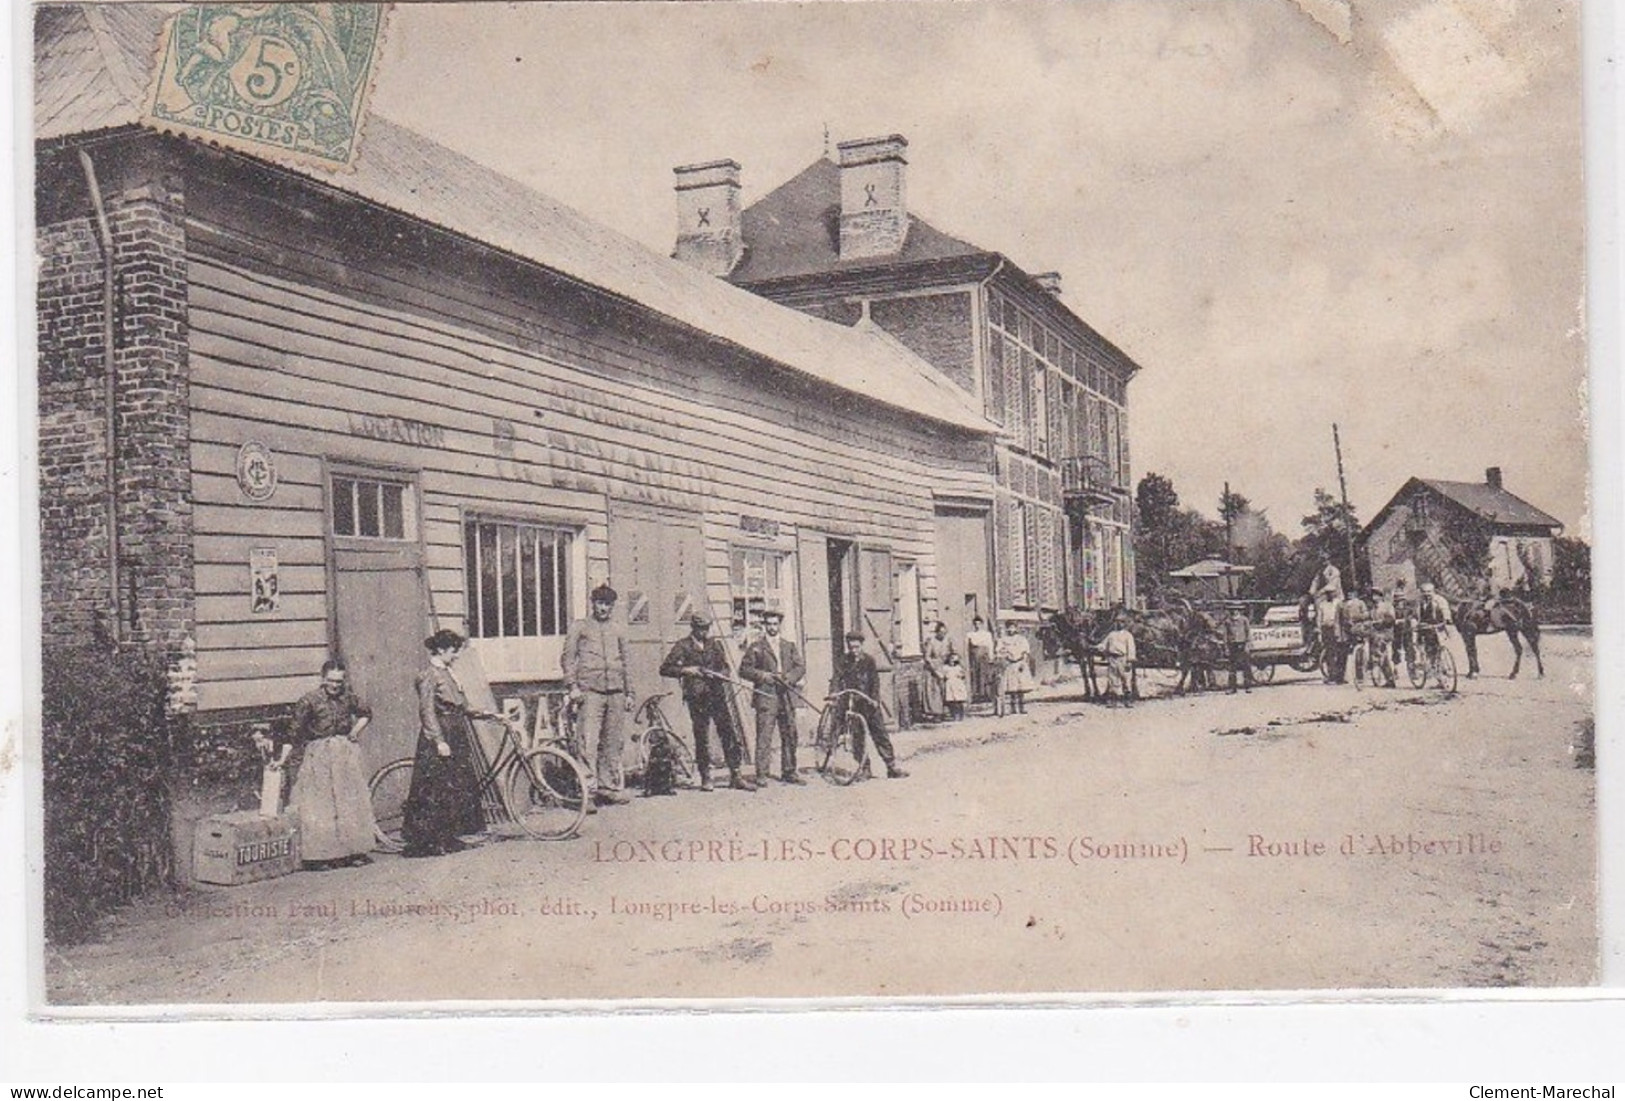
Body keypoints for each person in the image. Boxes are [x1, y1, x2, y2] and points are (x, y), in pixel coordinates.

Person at [401, 629, 486, 858]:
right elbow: (427, 711)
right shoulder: (428, 675)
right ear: (440, 650)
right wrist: (439, 741)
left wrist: (486, 714)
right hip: (440, 735)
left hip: (456, 732)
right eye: (453, 651)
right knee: (434, 789)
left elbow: (461, 704)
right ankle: (429, 842)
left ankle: (448, 837)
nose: (456, 655)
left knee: (453, 787)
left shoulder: (448, 672)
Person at [285, 659, 377, 870]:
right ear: (323, 678)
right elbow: (294, 732)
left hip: (344, 754)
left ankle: (352, 851)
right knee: (322, 805)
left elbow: (366, 713)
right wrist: (284, 759)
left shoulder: (348, 697)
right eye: (331, 681)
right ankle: (321, 857)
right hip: (319, 755)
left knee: (349, 802)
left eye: (339, 681)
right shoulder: (309, 700)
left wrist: (354, 731)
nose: (335, 685)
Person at [660, 612, 752, 791]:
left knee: (728, 733)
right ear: (693, 628)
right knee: (701, 736)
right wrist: (688, 670)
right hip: (697, 697)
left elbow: (724, 666)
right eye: (701, 629)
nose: (704, 632)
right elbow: (665, 669)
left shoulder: (715, 644)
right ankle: (706, 777)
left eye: (706, 628)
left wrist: (722, 675)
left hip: (717, 694)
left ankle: (736, 774)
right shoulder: (683, 646)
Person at [561, 583, 633, 806]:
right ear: (593, 603)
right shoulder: (580, 627)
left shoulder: (619, 629)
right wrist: (572, 686)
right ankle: (587, 792)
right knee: (587, 743)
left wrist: (630, 693)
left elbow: (627, 662)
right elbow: (568, 658)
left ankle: (608, 787)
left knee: (613, 742)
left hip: (616, 692)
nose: (604, 608)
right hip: (590, 692)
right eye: (600, 603)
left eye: (608, 605)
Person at [738, 609, 806, 785]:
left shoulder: (788, 646)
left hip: (786, 696)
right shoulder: (756, 647)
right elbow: (744, 670)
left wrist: (789, 678)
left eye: (775, 624)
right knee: (764, 735)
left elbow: (800, 667)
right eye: (769, 624)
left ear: (779, 625)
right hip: (766, 696)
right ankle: (762, 774)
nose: (772, 627)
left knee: (790, 733)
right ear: (764, 626)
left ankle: (789, 771)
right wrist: (763, 676)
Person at [833, 631, 907, 779]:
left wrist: (874, 699)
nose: (854, 650)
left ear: (861, 646)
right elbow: (837, 678)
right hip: (854, 703)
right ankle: (864, 768)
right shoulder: (843, 661)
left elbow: (875, 681)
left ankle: (891, 766)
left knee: (880, 734)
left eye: (857, 647)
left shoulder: (869, 661)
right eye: (851, 647)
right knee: (858, 737)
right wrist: (834, 693)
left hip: (869, 703)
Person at [996, 619, 1036, 714]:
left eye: (1012, 627)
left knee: (1021, 686)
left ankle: (1021, 707)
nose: (1010, 629)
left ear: (1016, 628)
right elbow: (998, 651)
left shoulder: (1021, 639)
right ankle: (1013, 708)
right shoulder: (1003, 640)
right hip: (1009, 664)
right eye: (1008, 627)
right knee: (1012, 687)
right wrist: (1004, 656)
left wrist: (1023, 662)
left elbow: (1025, 652)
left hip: (1019, 663)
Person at [921, 621, 955, 721]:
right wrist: (935, 671)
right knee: (934, 691)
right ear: (937, 632)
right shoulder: (932, 641)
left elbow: (953, 652)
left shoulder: (947, 641)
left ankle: (946, 711)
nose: (943, 635)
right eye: (941, 633)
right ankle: (936, 713)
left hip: (944, 666)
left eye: (945, 633)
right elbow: (927, 657)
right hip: (933, 668)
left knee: (946, 689)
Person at [1338, 588, 1371, 689]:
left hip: (1359, 628)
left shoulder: (1360, 603)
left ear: (1355, 594)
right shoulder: (1343, 605)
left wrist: (1357, 617)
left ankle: (1362, 672)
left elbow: (1366, 614)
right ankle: (1342, 675)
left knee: (1362, 652)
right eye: (1348, 593)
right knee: (1345, 652)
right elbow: (1341, 618)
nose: (1350, 595)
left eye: (1352, 593)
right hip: (1347, 630)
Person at [1101, 615, 1137, 708]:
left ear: (1124, 624)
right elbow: (1104, 645)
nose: (1119, 624)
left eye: (1121, 622)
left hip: (1123, 659)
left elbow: (1131, 648)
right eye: (1117, 622)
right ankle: (1113, 701)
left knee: (1126, 679)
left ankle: (1128, 701)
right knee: (1113, 679)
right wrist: (1096, 647)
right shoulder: (1111, 634)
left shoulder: (1128, 635)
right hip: (1113, 659)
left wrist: (1129, 661)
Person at [1417, 581, 1453, 670]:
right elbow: (1415, 614)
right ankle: (1426, 663)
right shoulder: (1419, 602)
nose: (1427, 594)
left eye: (1429, 591)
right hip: (1425, 626)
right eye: (1424, 592)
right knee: (1422, 646)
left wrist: (1447, 618)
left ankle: (1442, 665)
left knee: (1441, 645)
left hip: (1438, 625)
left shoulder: (1439, 600)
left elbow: (1445, 609)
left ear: (1433, 591)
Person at [1368, 587, 1398, 687]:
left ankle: (1390, 678)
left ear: (1381, 597)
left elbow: (1392, 619)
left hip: (1386, 633)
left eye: (1376, 595)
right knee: (1378, 656)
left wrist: (1383, 622)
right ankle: (1386, 678)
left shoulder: (1387, 606)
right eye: (1372, 595)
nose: (1373, 597)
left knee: (1384, 656)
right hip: (1376, 634)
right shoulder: (1373, 609)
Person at [965, 614, 998, 705]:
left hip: (984, 656)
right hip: (975, 658)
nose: (977, 625)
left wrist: (991, 657)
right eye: (975, 624)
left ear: (982, 624)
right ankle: (976, 695)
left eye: (979, 624)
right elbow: (967, 648)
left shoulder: (987, 634)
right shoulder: (970, 635)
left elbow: (990, 645)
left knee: (985, 674)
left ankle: (986, 695)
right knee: (975, 675)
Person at [1223, 603, 1254, 694]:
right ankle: (1232, 688)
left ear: (1239, 610)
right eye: (1232, 609)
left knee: (1246, 666)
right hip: (1232, 645)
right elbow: (1225, 635)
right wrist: (1226, 648)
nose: (1234, 611)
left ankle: (1248, 686)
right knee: (1232, 667)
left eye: (1236, 609)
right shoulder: (1227, 622)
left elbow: (1248, 632)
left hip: (1242, 644)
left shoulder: (1244, 620)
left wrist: (1248, 645)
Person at [1391, 577, 1417, 677]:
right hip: (1396, 632)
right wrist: (1394, 621)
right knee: (1396, 650)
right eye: (1397, 601)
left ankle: (1412, 670)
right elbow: (1390, 618)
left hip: (1407, 631)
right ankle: (1395, 670)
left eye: (1401, 601)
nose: (1400, 603)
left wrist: (1412, 620)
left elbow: (1414, 616)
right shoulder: (1393, 609)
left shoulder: (1408, 609)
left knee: (1410, 650)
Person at [942, 651, 970, 721]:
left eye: (954, 660)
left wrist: (961, 675)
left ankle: (961, 715)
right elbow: (943, 675)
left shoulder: (958, 667)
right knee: (952, 702)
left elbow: (962, 675)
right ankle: (954, 715)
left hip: (957, 684)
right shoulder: (945, 667)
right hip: (950, 684)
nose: (952, 661)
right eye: (951, 659)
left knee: (959, 701)